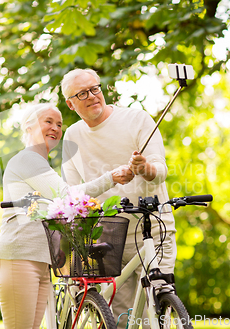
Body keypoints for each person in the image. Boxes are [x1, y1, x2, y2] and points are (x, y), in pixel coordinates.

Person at [0, 103, 134, 329]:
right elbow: (65, 195)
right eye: (48, 121)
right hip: (18, 257)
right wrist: (111, 178)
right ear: (28, 127)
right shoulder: (27, 159)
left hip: (39, 260)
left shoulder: (41, 164)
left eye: (59, 124)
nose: (55, 128)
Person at [60, 69, 177, 328]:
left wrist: (145, 169)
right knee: (123, 317)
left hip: (153, 229)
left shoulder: (137, 119)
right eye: (82, 93)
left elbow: (160, 172)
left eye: (95, 88)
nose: (92, 96)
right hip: (110, 235)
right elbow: (73, 192)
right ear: (70, 103)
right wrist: (110, 177)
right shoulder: (72, 137)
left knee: (157, 307)